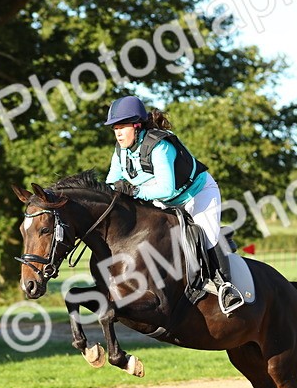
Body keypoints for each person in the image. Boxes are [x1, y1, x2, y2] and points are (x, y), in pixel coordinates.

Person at [102, 95, 244, 314]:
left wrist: (135, 190)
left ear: (137, 126)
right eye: (115, 128)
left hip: (197, 194)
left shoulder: (160, 146)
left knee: (206, 235)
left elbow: (167, 188)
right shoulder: (121, 151)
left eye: (122, 127)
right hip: (164, 201)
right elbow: (111, 182)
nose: (118, 133)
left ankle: (226, 287)